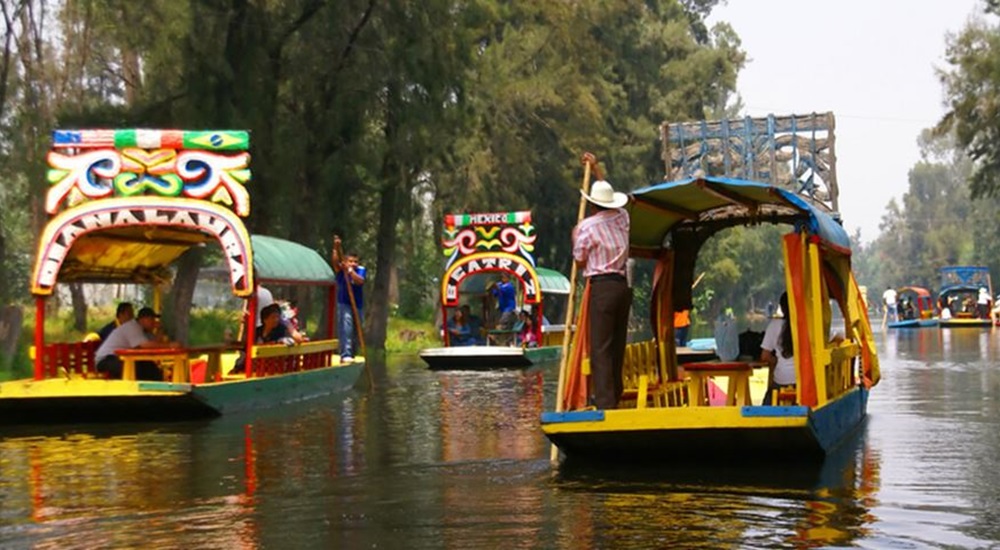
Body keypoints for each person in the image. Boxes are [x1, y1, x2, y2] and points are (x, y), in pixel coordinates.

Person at [572, 178, 631, 410]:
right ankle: (614, 394)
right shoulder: (623, 218)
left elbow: (579, 259)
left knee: (601, 348)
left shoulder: (587, 227)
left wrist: (574, 235)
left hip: (602, 287)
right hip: (622, 286)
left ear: (593, 205)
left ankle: (606, 404)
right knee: (616, 344)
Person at [94, 307, 176, 380]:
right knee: (137, 370)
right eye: (152, 319)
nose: (154, 322)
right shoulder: (132, 327)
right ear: (143, 319)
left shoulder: (145, 331)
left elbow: (154, 344)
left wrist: (160, 330)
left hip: (122, 359)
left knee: (152, 368)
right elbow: (145, 345)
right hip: (106, 360)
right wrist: (170, 346)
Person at [332, 235, 366, 362]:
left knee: (358, 329)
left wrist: (351, 271)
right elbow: (335, 263)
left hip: (358, 304)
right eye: (350, 261)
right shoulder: (342, 269)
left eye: (355, 261)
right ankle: (345, 353)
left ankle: (353, 352)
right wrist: (335, 248)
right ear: (346, 261)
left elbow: (360, 281)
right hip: (344, 302)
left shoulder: (360, 270)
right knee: (346, 327)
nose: (353, 263)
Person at [760, 292, 795, 405]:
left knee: (767, 402)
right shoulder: (807, 324)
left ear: (782, 308)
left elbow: (765, 356)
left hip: (781, 381)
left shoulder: (774, 325)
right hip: (804, 382)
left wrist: (775, 361)